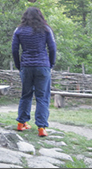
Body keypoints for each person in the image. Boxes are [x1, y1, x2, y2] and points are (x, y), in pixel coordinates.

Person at [11, 7, 57, 137]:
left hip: (26, 66)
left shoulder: (19, 30)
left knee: (26, 95)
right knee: (42, 97)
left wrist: (19, 65)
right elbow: (52, 48)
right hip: (42, 66)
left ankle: (21, 123)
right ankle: (41, 127)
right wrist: (51, 64)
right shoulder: (46, 29)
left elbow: (14, 50)